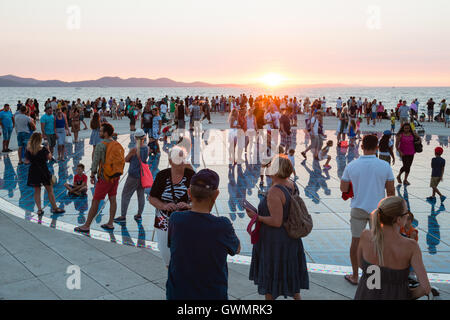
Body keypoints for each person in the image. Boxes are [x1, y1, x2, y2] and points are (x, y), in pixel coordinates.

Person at [166, 169, 240, 300]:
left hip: (178, 293)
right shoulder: (222, 225)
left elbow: (173, 243)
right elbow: (236, 248)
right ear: (216, 194)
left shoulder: (176, 219)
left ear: (189, 193)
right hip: (211, 293)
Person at [247, 154, 309, 300]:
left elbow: (276, 221)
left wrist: (256, 217)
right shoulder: (292, 184)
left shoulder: (275, 191)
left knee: (271, 282)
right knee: (291, 281)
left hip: (275, 242)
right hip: (290, 239)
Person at [354, 196, 435, 300]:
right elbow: (425, 288)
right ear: (399, 219)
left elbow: (360, 264)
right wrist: (408, 294)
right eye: (406, 213)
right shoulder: (410, 247)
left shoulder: (366, 236)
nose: (408, 216)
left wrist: (379, 280)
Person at [341, 134, 395, 285]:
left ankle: (355, 276)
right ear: (377, 147)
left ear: (362, 147)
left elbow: (343, 188)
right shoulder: (384, 166)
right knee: (377, 243)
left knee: (355, 242)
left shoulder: (351, 165)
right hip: (377, 210)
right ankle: (374, 278)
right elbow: (391, 191)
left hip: (358, 208)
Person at [74, 123, 125, 233]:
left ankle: (86, 225)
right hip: (115, 177)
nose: (99, 133)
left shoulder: (101, 145)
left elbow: (95, 162)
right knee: (112, 199)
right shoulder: (115, 143)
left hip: (104, 177)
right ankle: (110, 223)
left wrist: (92, 175)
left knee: (96, 201)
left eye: (101, 131)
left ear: (106, 133)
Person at [149, 146, 195, 267]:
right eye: (177, 160)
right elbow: (152, 198)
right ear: (170, 161)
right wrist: (163, 206)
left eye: (183, 159)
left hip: (186, 220)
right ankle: (170, 272)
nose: (181, 163)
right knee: (165, 252)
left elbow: (201, 200)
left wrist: (188, 205)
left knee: (185, 253)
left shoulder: (191, 176)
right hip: (163, 220)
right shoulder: (162, 176)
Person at [24, 132, 65, 215]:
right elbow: (50, 158)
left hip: (33, 171)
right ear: (40, 139)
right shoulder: (43, 148)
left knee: (37, 191)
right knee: (50, 190)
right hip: (43, 170)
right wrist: (48, 148)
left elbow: (26, 161)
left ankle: (39, 209)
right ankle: (55, 208)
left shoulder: (28, 149)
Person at [114, 129, 149, 223]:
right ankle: (139, 215)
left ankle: (123, 216)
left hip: (133, 175)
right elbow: (144, 159)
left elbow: (126, 159)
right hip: (142, 176)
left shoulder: (134, 149)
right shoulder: (146, 148)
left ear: (135, 138)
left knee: (125, 195)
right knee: (140, 195)